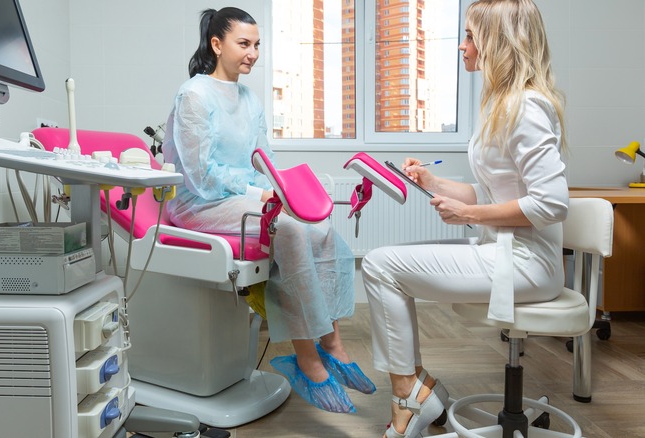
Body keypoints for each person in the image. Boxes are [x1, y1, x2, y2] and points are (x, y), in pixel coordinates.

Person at [361, 0, 569, 436]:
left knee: (380, 265)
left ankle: (410, 396)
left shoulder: (527, 107)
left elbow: (550, 204)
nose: (462, 45)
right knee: (383, 264)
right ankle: (414, 389)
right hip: (505, 252)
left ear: (500, 42)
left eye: (471, 35)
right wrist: (433, 183)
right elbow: (493, 192)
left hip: (526, 264)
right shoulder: (504, 104)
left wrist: (470, 213)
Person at [160, 7, 375, 413]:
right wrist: (261, 196)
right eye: (244, 44)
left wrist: (279, 190)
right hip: (198, 203)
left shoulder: (250, 99)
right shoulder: (193, 94)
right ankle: (306, 356)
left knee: (320, 226)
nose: (253, 53)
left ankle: (332, 341)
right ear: (217, 44)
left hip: (240, 198)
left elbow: (263, 161)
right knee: (289, 229)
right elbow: (202, 174)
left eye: (257, 44)